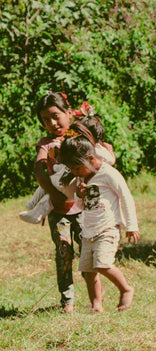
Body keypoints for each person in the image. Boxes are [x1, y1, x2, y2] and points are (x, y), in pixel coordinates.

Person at [30, 91, 101, 313]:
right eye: (45, 119)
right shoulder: (46, 143)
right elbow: (39, 171)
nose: (51, 123)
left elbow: (98, 159)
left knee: (89, 251)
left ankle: (96, 300)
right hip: (60, 211)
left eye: (55, 116)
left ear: (68, 113)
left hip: (85, 210)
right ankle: (67, 301)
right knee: (64, 251)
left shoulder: (78, 134)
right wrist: (53, 193)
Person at [60, 134, 140, 313]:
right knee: (89, 272)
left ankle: (126, 289)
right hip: (88, 231)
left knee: (102, 264)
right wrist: (79, 195)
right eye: (72, 169)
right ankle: (96, 304)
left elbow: (125, 195)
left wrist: (131, 225)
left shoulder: (108, 173)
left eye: (77, 168)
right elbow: (81, 206)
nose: (75, 173)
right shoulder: (83, 177)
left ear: (90, 158)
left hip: (108, 227)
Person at [19, 113, 115, 223]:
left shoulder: (95, 149)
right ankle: (33, 203)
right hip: (69, 181)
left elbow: (110, 161)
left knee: (51, 192)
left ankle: (36, 212)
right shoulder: (81, 146)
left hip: (72, 186)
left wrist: (110, 153)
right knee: (51, 183)